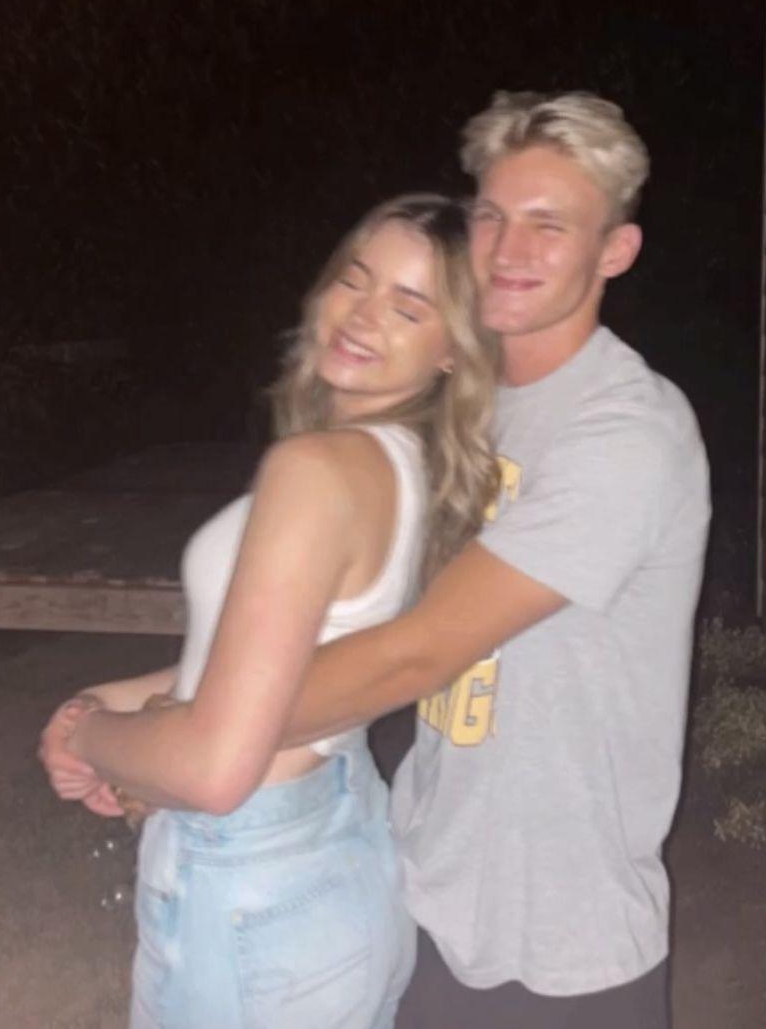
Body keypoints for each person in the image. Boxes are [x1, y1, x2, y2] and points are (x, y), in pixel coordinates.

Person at [240, 91, 712, 1027]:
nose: (506, 249)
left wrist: (199, 735)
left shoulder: (628, 431)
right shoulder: (462, 405)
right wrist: (146, 693)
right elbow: (337, 615)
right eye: (491, 216)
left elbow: (416, 652)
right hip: (427, 885)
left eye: (549, 225)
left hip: (566, 942)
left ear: (614, 251)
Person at [39, 193, 499, 1029]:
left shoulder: (316, 469)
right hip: (338, 855)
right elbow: (273, 660)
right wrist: (116, 699)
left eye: (408, 307)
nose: (363, 314)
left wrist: (90, 735)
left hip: (250, 883)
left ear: (452, 353)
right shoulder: (408, 469)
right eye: (354, 279)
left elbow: (216, 769)